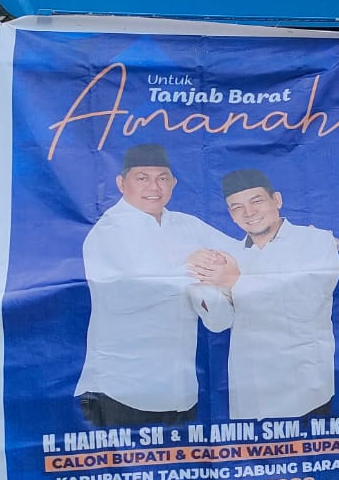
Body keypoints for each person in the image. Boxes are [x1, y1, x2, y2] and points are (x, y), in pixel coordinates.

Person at [76, 143, 233, 427]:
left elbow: (243, 257)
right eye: (142, 178)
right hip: (120, 392)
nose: (154, 186)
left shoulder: (188, 226)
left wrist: (312, 248)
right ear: (121, 183)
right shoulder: (108, 232)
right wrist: (189, 270)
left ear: (174, 183)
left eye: (162, 177)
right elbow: (123, 296)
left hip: (181, 393)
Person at [189, 168, 339, 420]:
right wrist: (201, 283)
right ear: (231, 215)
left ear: (277, 200)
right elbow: (219, 323)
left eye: (256, 200)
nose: (248, 213)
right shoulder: (231, 254)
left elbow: (304, 306)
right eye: (237, 207)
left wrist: (234, 282)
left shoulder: (316, 241)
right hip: (249, 396)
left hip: (303, 392)